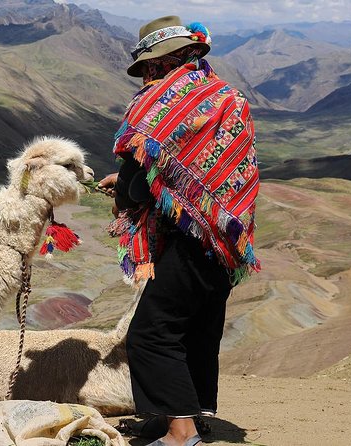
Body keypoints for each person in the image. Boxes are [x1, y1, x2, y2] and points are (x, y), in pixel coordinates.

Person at [98, 16, 261, 446]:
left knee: (152, 332)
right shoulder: (227, 97)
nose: (148, 75)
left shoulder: (158, 104)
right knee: (197, 330)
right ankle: (193, 413)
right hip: (224, 238)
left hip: (185, 241)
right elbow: (214, 176)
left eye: (150, 65)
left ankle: (179, 431)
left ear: (160, 61)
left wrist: (127, 193)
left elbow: (140, 179)